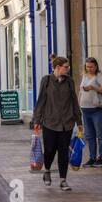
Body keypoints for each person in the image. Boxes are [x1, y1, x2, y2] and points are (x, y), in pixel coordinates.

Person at [33, 56, 81, 191]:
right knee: (49, 150)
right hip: (50, 122)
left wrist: (79, 120)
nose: (68, 69)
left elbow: (74, 101)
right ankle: (47, 170)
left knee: (63, 152)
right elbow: (41, 101)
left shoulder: (69, 81)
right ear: (57, 68)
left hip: (67, 122)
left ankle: (63, 180)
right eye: (66, 67)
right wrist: (37, 120)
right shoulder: (46, 80)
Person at [79, 57, 102, 168]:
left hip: (98, 109)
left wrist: (93, 87)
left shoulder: (100, 76)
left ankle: (101, 158)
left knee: (100, 135)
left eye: (91, 67)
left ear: (96, 66)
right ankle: (92, 158)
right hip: (85, 109)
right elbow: (80, 91)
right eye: (87, 66)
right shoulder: (84, 76)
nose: (89, 69)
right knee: (89, 136)